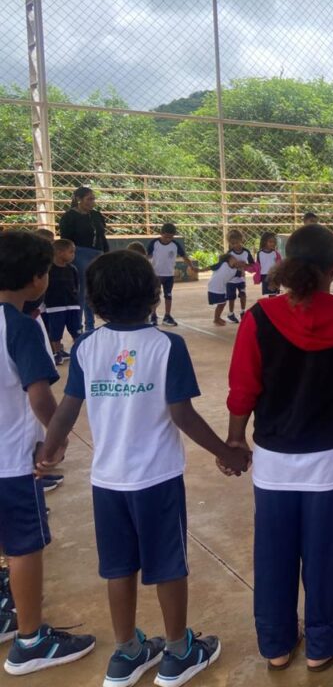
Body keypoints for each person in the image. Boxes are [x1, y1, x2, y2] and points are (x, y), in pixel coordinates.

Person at [39, 250, 248, 687]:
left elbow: (68, 407)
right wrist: (226, 452)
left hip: (107, 480)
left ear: (93, 301)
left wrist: (50, 449)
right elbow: (182, 414)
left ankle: (126, 652)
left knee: (118, 566)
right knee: (168, 564)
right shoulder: (166, 346)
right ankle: (178, 650)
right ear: (154, 294)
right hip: (156, 479)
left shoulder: (87, 346)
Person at [225, 225, 333, 672]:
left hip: (274, 459)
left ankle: (276, 644)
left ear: (283, 263)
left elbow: (243, 388)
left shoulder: (258, 318)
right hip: (329, 461)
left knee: (273, 553)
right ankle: (323, 643)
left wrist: (235, 440)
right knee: (325, 553)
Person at [0, 231, 96, 676]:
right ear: (39, 279)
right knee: (24, 547)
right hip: (11, 461)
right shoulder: (19, 326)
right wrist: (55, 441)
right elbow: (39, 395)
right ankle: (30, 640)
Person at [58, 186, 108, 332]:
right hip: (80, 253)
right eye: (89, 199)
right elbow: (66, 238)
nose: (92, 202)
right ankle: (77, 326)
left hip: (97, 254)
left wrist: (106, 254)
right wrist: (69, 256)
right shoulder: (69, 216)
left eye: (93, 199)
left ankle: (90, 325)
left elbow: (102, 236)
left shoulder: (96, 215)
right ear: (79, 199)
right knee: (81, 290)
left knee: (92, 290)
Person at [42, 239, 81, 365]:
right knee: (56, 332)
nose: (73, 255)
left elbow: (76, 285)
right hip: (54, 307)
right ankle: (57, 353)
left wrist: (75, 298)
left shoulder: (72, 269)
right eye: (71, 252)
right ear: (59, 252)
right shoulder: (48, 270)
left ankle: (79, 351)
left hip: (72, 305)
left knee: (76, 329)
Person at [146, 223, 191, 328]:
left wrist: (192, 266)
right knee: (154, 296)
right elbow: (147, 256)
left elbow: (184, 256)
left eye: (170, 237)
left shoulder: (175, 245)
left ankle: (167, 316)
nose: (168, 239)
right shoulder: (154, 243)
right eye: (166, 237)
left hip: (169, 275)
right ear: (161, 234)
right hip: (156, 274)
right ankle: (153, 315)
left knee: (168, 295)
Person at [225, 230, 254, 324]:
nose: (235, 245)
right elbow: (226, 265)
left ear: (241, 240)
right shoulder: (229, 253)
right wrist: (235, 265)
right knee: (231, 297)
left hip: (241, 279)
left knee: (243, 295)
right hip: (231, 280)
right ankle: (231, 314)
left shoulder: (246, 252)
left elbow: (252, 264)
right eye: (232, 243)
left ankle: (242, 311)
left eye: (237, 242)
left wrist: (245, 265)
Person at [209, 254, 243, 327]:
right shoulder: (223, 264)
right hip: (215, 287)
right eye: (233, 258)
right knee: (221, 303)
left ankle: (217, 318)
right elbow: (210, 267)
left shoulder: (234, 271)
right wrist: (198, 270)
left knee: (222, 303)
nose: (236, 259)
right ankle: (216, 319)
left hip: (221, 288)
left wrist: (240, 266)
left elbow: (242, 274)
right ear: (228, 260)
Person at [255, 232, 282, 297]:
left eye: (274, 242)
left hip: (273, 276)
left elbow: (279, 265)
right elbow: (257, 266)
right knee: (269, 294)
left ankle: (272, 303)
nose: (273, 243)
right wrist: (257, 276)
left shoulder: (275, 253)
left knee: (273, 295)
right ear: (264, 242)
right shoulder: (259, 253)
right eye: (270, 242)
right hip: (264, 276)